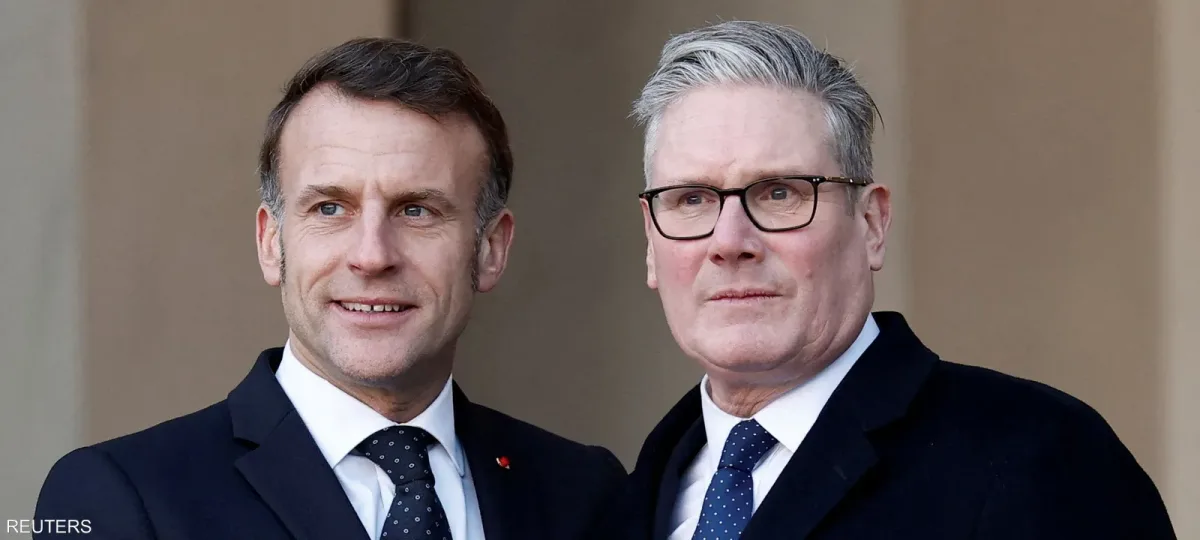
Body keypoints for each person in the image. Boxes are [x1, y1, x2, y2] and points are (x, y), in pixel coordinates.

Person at [34, 37, 624, 540]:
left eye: (416, 210)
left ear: (490, 249)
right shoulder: (121, 499)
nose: (372, 255)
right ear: (271, 242)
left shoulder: (584, 494)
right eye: (330, 208)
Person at [615, 20, 1175, 539]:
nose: (729, 241)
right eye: (691, 200)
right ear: (650, 242)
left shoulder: (1036, 457)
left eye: (780, 193)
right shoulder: (617, 501)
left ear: (871, 223)